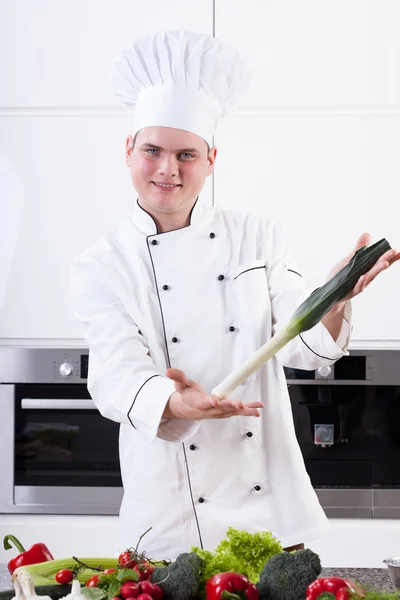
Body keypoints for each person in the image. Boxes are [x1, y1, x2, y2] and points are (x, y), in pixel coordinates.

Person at [70, 30, 399, 559]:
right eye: (152, 150)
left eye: (186, 154)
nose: (168, 169)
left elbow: (300, 343)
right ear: (129, 150)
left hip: (270, 510)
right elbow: (114, 370)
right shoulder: (101, 265)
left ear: (211, 158)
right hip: (170, 516)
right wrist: (175, 401)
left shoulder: (257, 236)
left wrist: (333, 299)